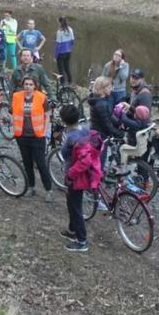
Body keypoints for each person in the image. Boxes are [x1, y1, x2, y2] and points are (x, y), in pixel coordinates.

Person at [59, 104, 98, 253]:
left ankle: (82, 241)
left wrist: (71, 174)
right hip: (83, 174)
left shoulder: (72, 137)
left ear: (64, 121)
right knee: (71, 203)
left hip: (75, 177)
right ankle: (72, 230)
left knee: (75, 207)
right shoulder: (84, 129)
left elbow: (84, 160)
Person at [13, 76, 52, 201]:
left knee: (41, 164)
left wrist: (45, 131)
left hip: (37, 137)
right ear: (23, 85)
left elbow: (47, 114)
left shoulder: (41, 97)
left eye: (30, 84)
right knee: (27, 163)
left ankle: (48, 190)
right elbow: (12, 112)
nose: (28, 86)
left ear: (35, 86)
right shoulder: (16, 96)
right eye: (26, 84)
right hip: (22, 136)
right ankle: (31, 187)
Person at [54, 17, 74, 85]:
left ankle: (62, 83)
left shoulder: (60, 32)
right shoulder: (70, 29)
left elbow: (58, 45)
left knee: (61, 69)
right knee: (67, 68)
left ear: (59, 22)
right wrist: (68, 47)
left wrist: (55, 55)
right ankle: (70, 81)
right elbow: (72, 42)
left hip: (61, 53)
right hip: (68, 52)